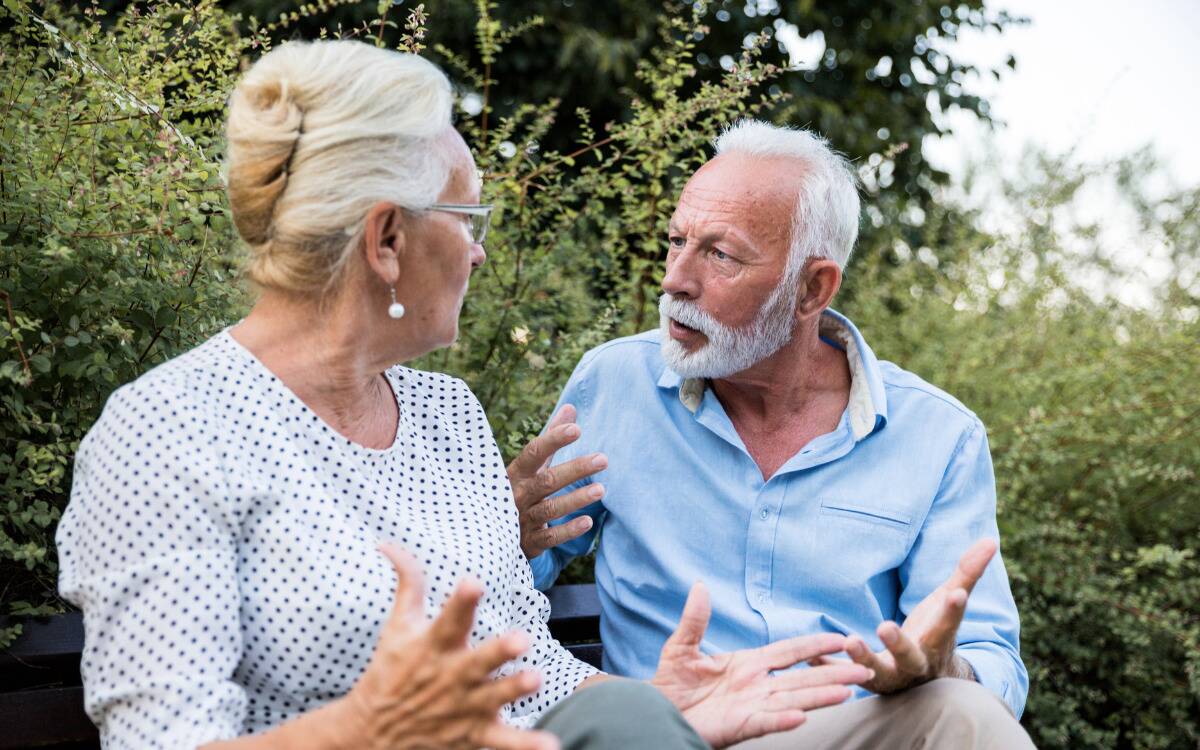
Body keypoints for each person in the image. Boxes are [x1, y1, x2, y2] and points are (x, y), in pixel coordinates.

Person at [55, 43, 873, 750]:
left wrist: (650, 709)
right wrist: (366, 728)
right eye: (468, 216)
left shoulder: (448, 418)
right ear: (387, 239)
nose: (479, 253)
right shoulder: (166, 432)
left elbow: (533, 667)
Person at [510, 120, 1036, 748]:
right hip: (670, 731)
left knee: (964, 710)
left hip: (846, 732)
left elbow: (990, 656)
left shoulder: (938, 435)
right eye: (676, 242)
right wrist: (505, 528)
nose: (675, 279)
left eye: (719, 254)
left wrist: (938, 667)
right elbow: (496, 590)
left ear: (813, 287)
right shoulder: (614, 384)